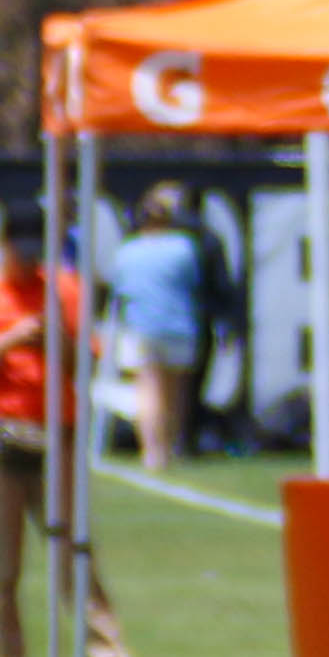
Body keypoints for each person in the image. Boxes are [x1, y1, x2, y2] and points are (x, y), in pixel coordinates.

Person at [0, 210, 146, 657]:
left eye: (37, 249)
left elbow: (87, 362)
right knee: (2, 569)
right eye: (21, 249)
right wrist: (6, 342)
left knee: (77, 558)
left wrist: (58, 339)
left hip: (57, 438)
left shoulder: (64, 290)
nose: (29, 261)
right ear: (2, 245)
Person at [107, 183, 207, 471]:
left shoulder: (128, 250)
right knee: (175, 390)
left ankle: (152, 450)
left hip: (140, 326)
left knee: (147, 388)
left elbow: (121, 287)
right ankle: (171, 445)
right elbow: (192, 281)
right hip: (178, 324)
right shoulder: (183, 247)